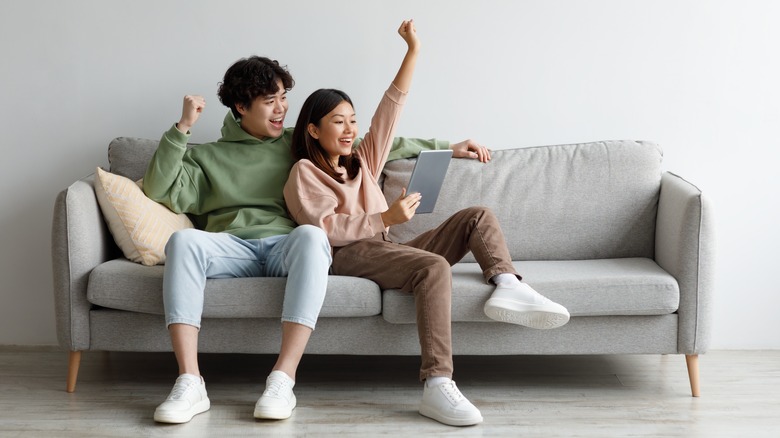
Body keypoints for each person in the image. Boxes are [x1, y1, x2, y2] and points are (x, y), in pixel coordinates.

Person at [143, 45, 490, 424]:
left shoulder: (299, 144)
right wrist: (182, 129)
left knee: (311, 235)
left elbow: (374, 144)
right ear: (241, 107)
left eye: (284, 99)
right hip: (231, 246)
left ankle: (282, 379)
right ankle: (190, 381)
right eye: (269, 101)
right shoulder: (204, 157)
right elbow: (158, 188)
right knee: (181, 240)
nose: (281, 109)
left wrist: (447, 148)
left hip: (288, 246)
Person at [283, 20, 570, 427]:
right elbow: (323, 229)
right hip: (348, 255)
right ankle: (437, 384)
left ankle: (508, 285)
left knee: (477, 216)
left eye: (352, 120)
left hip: (386, 248)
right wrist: (386, 217)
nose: (350, 129)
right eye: (338, 121)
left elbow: (391, 108)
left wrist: (412, 51)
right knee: (433, 267)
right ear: (313, 128)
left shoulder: (363, 161)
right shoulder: (304, 173)